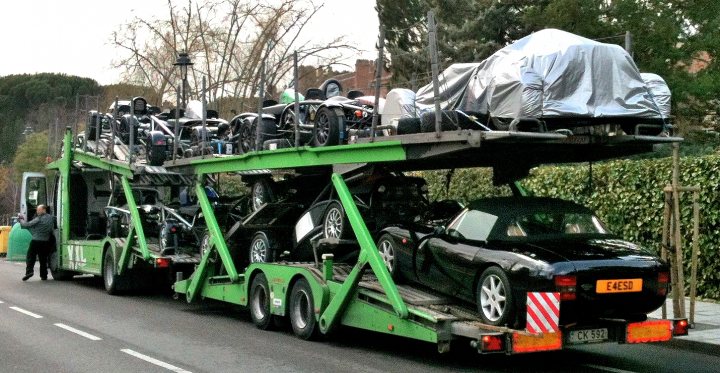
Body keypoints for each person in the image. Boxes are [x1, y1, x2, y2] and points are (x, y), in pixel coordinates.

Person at [18, 204, 55, 281]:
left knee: (30, 256)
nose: (37, 211)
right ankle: (44, 275)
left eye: (39, 210)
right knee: (43, 259)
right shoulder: (51, 218)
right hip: (45, 242)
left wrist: (21, 219)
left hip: (36, 241)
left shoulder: (39, 219)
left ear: (44, 210)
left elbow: (27, 225)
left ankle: (29, 272)